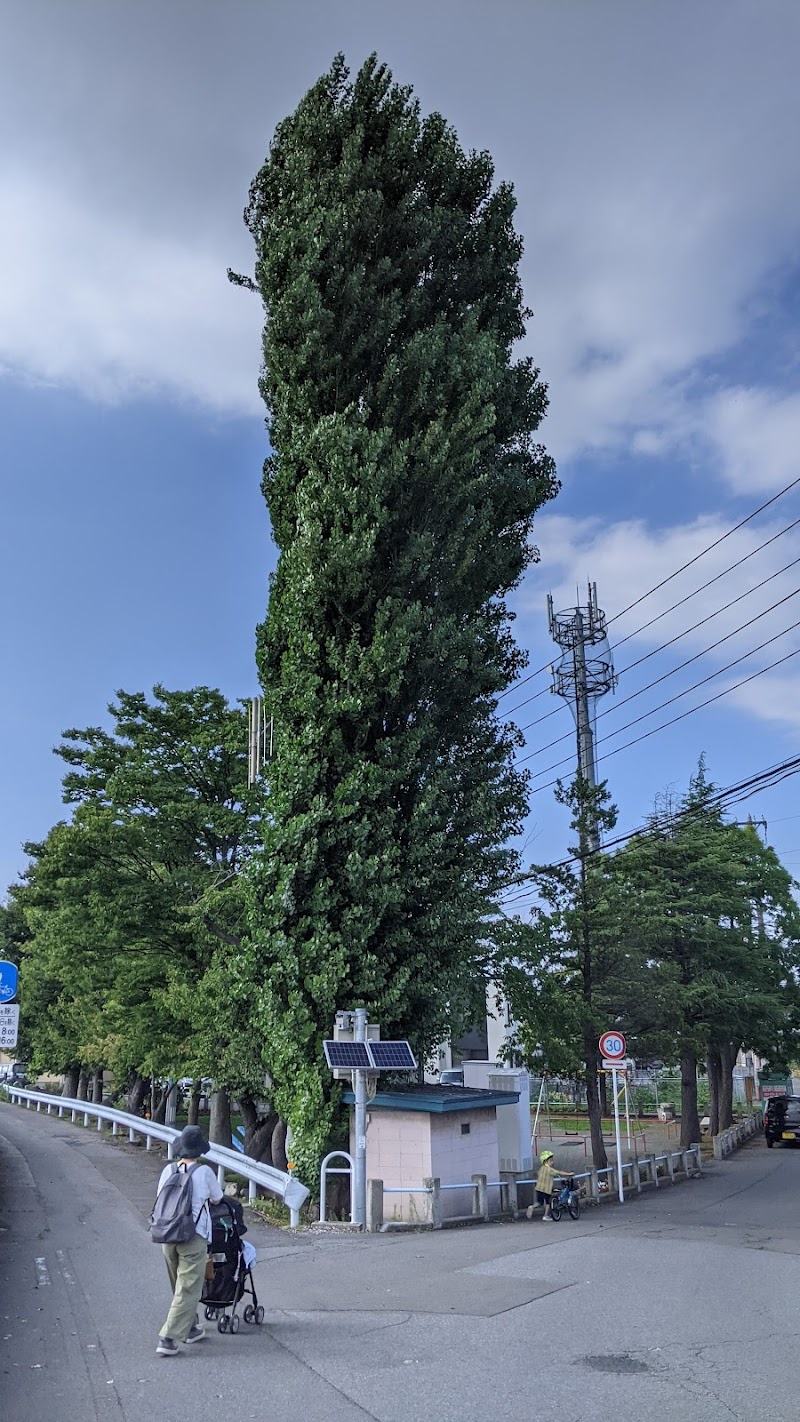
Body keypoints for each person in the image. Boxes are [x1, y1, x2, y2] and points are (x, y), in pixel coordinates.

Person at [155, 1125, 223, 1356]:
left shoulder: (168, 1171)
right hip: (192, 1235)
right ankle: (168, 1338)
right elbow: (217, 1198)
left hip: (166, 1233)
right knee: (187, 1288)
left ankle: (191, 1327)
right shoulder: (204, 1173)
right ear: (199, 1150)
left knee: (180, 1286)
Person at [526, 1148, 566, 1221]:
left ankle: (532, 1207)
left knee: (539, 1202)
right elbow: (558, 1172)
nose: (552, 1162)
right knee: (548, 1203)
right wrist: (569, 1173)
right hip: (547, 1189)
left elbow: (537, 1174)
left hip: (538, 1188)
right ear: (546, 1162)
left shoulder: (541, 1168)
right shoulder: (550, 1169)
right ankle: (545, 1216)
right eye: (550, 1161)